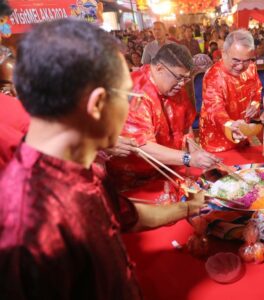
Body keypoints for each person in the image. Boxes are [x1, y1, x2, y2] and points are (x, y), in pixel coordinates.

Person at [0, 18, 207, 299]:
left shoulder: (84, 170)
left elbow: (126, 215)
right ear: (97, 103)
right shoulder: (29, 220)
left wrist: (187, 208)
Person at [107, 43, 219, 191]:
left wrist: (195, 151)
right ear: (159, 68)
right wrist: (188, 159)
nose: (181, 84)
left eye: (185, 79)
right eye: (179, 78)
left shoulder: (174, 85)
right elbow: (141, 146)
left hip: (169, 169)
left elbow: (185, 128)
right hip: (136, 179)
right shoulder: (135, 91)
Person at [199, 29, 262, 152]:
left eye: (246, 61)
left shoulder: (250, 68)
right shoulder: (214, 76)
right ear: (224, 54)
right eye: (236, 60)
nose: (240, 66)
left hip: (243, 137)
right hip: (217, 142)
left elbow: (256, 92)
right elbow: (215, 109)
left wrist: (254, 105)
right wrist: (229, 125)